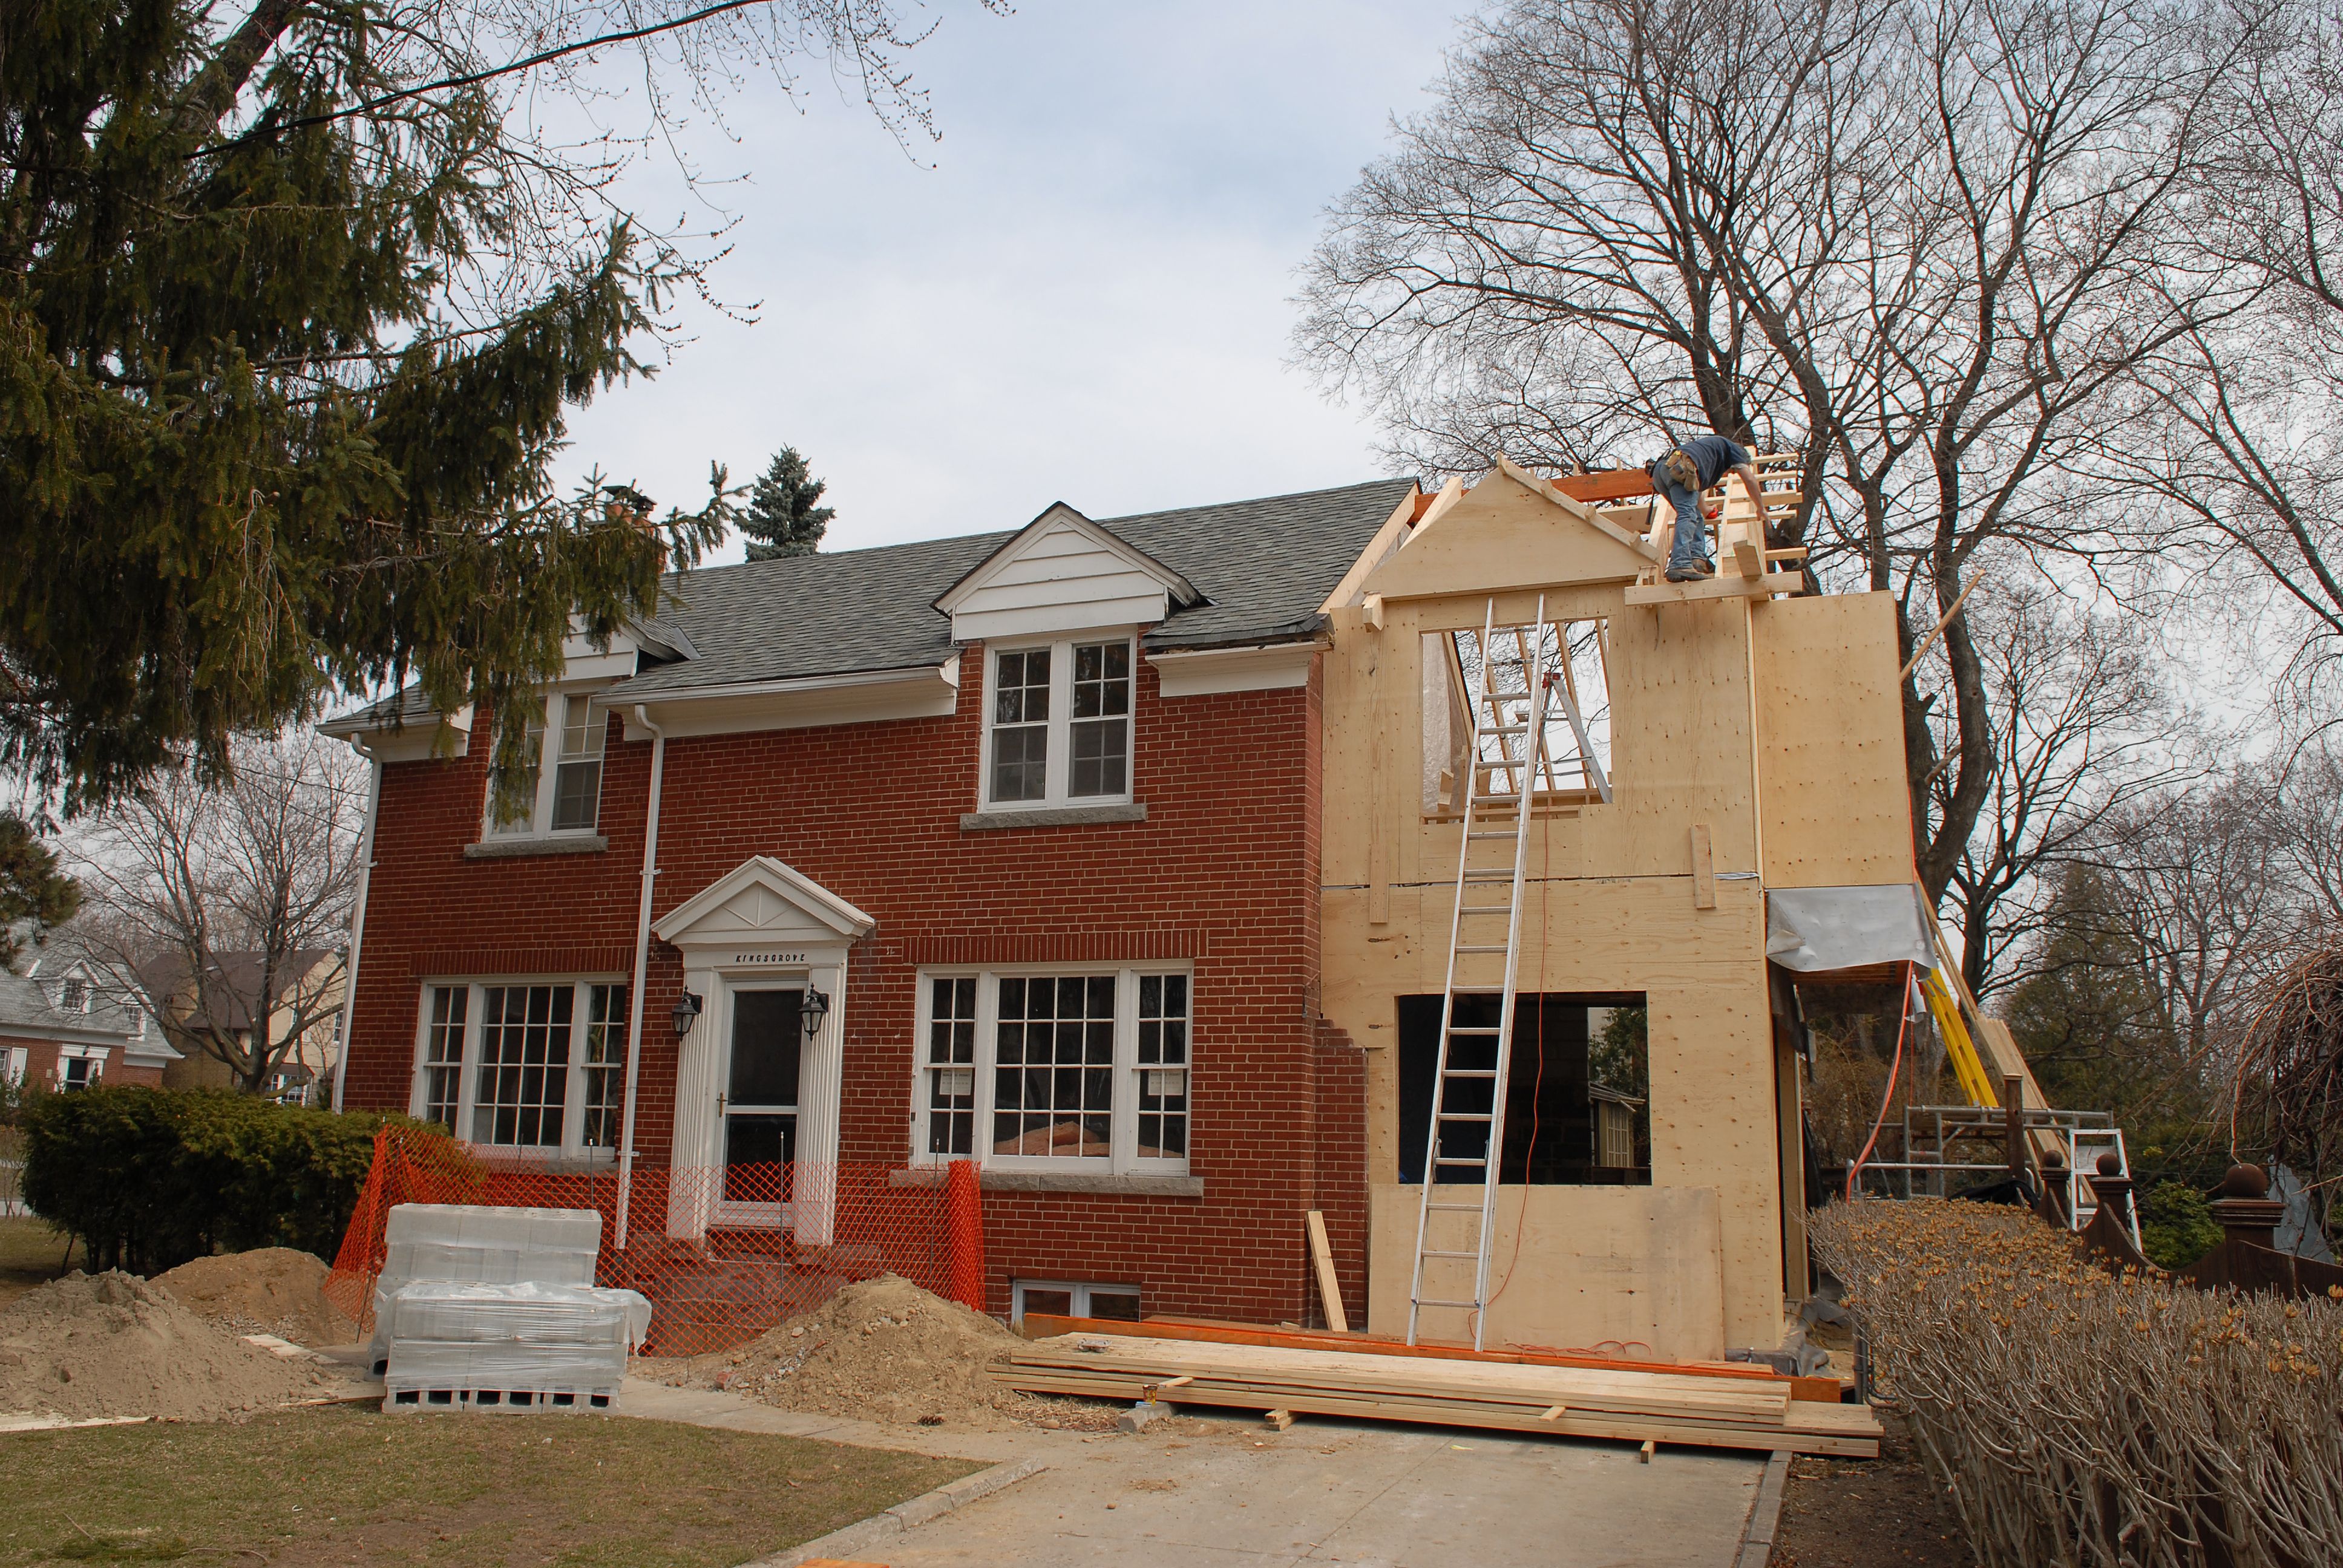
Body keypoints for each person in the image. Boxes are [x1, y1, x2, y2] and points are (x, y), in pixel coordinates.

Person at [1649, 434, 1767, 583]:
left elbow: (1696, 491)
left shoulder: (1709, 455)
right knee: (1688, 515)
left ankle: (1697, 560)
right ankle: (1680, 564)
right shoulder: (1734, 450)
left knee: (1695, 516)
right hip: (1680, 469)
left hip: (1662, 471)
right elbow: (1749, 479)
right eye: (1734, 470)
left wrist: (1706, 510)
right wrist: (1760, 507)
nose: (1731, 473)